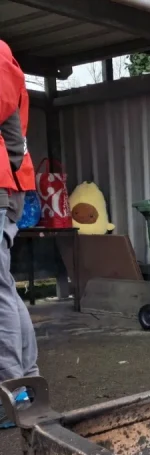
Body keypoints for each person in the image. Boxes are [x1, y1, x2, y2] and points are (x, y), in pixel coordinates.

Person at [0, 40, 38, 428]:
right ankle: (26, 382)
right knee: (4, 288)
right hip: (8, 184)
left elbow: (10, 136)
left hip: (2, 183)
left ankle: (14, 395)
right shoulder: (5, 57)